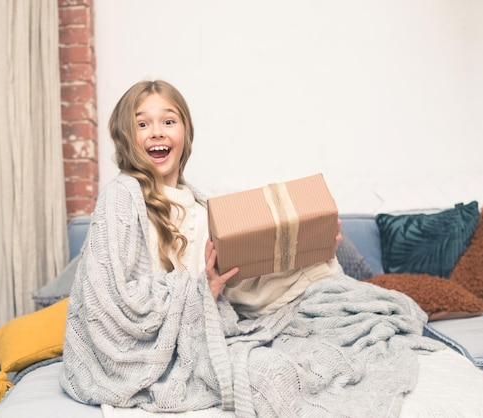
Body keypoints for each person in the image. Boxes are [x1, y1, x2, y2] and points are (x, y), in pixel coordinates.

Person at [60, 80, 440, 417]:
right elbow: (109, 298)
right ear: (127, 137)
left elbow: (238, 282)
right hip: (179, 332)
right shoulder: (122, 197)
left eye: (168, 121)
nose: (156, 132)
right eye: (142, 124)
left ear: (185, 133)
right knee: (272, 375)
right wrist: (200, 291)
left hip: (227, 308)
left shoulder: (203, 205)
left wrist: (315, 247)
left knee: (356, 313)